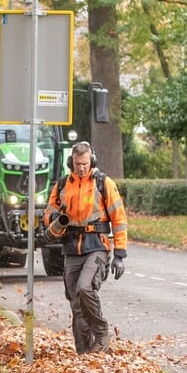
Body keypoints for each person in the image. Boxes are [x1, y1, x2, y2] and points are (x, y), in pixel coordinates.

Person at [42, 141, 128, 353]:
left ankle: (100, 331)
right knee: (76, 304)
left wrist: (119, 254)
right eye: (78, 164)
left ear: (92, 161)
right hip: (71, 248)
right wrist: (53, 218)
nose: (82, 167)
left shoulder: (102, 183)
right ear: (71, 162)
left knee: (85, 288)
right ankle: (85, 353)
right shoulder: (62, 185)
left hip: (97, 245)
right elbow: (47, 215)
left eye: (85, 163)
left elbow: (119, 218)